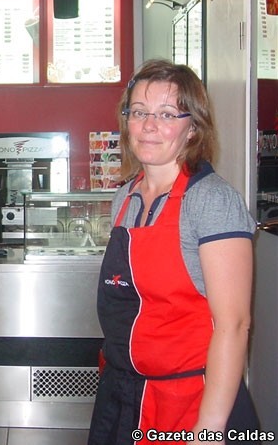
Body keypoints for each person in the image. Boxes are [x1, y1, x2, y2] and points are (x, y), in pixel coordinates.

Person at [88, 59, 260, 445]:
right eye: (139, 112)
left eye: (167, 114)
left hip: (187, 401)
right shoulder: (124, 197)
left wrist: (208, 430)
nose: (149, 125)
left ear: (193, 127)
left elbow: (233, 325)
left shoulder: (212, 201)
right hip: (121, 393)